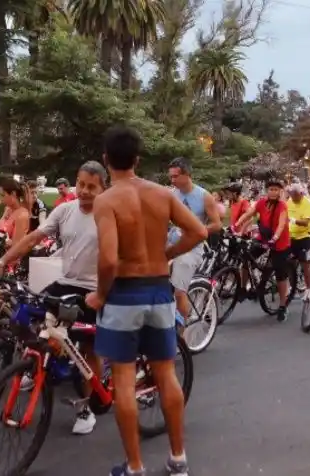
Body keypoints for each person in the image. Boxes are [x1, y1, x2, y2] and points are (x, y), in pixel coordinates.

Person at [86, 126, 206, 476]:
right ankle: (178, 459)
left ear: (106, 160)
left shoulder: (107, 200)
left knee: (123, 381)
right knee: (166, 374)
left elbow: (108, 259)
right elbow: (198, 232)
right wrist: (165, 254)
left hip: (124, 294)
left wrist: (102, 294)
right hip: (158, 291)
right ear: (137, 160)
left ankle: (135, 467)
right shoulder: (162, 194)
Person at [0, 161, 108, 435]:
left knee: (86, 350)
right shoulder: (65, 210)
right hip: (65, 282)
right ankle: (33, 366)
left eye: (92, 187)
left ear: (103, 188)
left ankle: (87, 406)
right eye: (81, 184)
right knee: (28, 314)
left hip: (95, 289)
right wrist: (0, 263)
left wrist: (104, 293)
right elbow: (31, 239)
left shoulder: (108, 215)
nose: (84, 191)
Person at [167, 157, 222, 327]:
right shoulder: (171, 194)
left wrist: (198, 230)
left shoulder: (204, 196)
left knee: (178, 290)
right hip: (172, 243)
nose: (172, 180)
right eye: (171, 177)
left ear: (187, 174)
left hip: (193, 247)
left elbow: (217, 224)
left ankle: (181, 335)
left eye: (176, 176)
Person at [233, 179, 292, 321]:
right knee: (245, 257)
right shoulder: (261, 203)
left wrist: (275, 237)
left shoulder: (282, 206)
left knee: (280, 274)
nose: (273, 191)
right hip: (263, 238)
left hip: (280, 243)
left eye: (276, 189)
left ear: (280, 192)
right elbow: (249, 214)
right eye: (270, 189)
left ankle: (283, 305)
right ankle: (242, 288)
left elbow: (282, 224)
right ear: (267, 191)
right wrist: (235, 225)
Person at [287, 183, 310, 290]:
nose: (293, 198)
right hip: (291, 237)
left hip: (305, 237)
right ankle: (293, 287)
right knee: (290, 262)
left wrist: (292, 220)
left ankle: (309, 289)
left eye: (295, 196)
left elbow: (305, 222)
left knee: (305, 264)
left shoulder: (308, 204)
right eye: (291, 195)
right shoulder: (289, 201)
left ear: (301, 194)